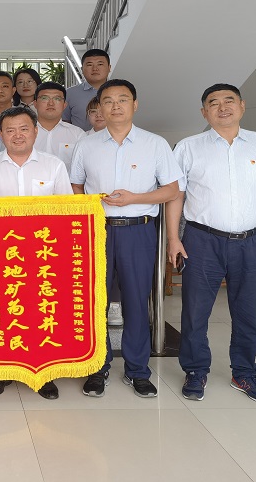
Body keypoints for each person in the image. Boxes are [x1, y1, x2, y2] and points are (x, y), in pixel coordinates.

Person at [167, 83, 256, 403]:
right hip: (202, 240)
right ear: (204, 112)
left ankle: (245, 372)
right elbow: (175, 195)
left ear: (242, 106)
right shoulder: (188, 147)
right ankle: (195, 370)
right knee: (195, 311)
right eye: (214, 103)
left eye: (229, 101)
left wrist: (250, 199)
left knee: (247, 311)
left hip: (252, 241)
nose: (222, 107)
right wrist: (173, 238)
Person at [70, 79, 183, 399]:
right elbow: (76, 185)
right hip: (97, 231)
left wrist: (135, 198)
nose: (115, 106)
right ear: (99, 107)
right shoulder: (86, 145)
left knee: (136, 301)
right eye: (108, 101)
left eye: (123, 99)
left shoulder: (155, 144)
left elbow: (171, 190)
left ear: (135, 105)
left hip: (139, 230)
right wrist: (89, 207)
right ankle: (97, 367)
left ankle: (137, 370)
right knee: (94, 301)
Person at [0, 106, 73, 400]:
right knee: (2, 312)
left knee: (42, 311)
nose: (17, 135)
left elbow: (66, 211)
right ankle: (0, 371)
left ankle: (44, 374)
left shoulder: (54, 166)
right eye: (10, 130)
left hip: (43, 257)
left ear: (35, 131)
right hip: (0, 257)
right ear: (1, 134)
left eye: (24, 129)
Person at [33, 82, 86, 172]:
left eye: (57, 99)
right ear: (35, 104)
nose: (51, 103)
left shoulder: (78, 134)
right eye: (44, 98)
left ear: (64, 105)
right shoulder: (23, 132)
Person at [63, 49, 111, 131]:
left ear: (109, 68)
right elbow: (65, 122)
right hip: (80, 138)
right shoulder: (69, 93)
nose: (95, 68)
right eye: (89, 65)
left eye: (100, 64)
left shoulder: (119, 92)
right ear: (82, 69)